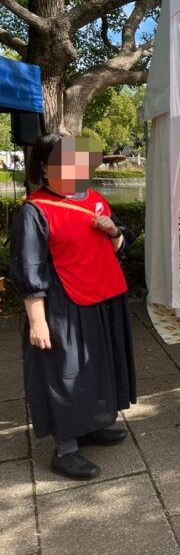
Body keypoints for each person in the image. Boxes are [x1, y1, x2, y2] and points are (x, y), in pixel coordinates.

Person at [10, 134, 136, 480]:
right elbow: (29, 269)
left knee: (98, 368)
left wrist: (114, 232)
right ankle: (65, 448)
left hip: (104, 298)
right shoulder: (34, 211)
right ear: (44, 168)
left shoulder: (94, 199)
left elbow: (120, 245)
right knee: (66, 373)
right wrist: (37, 321)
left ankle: (91, 425)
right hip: (64, 305)